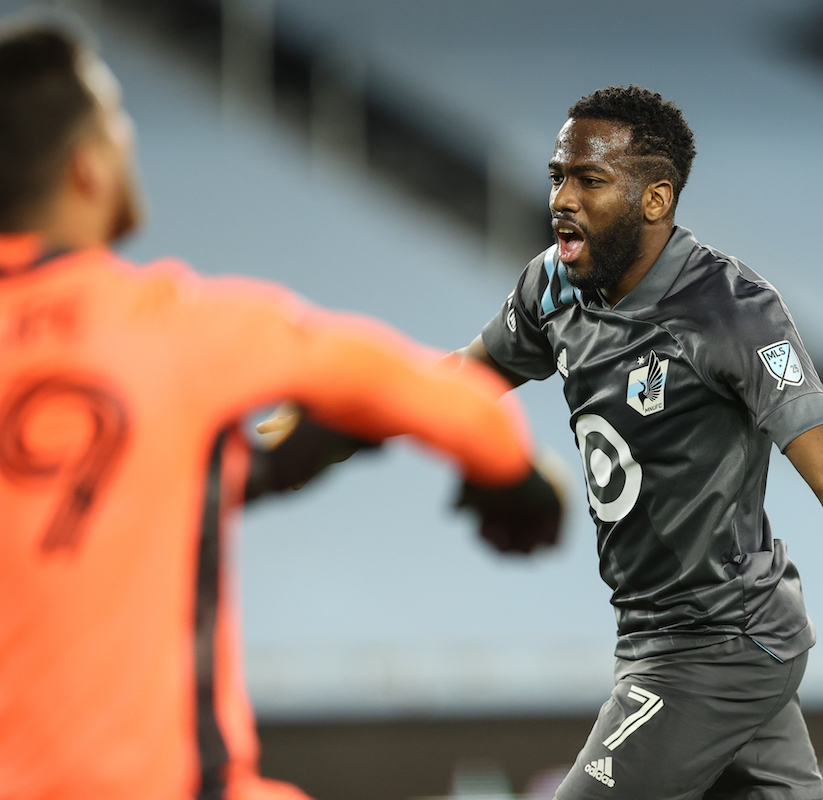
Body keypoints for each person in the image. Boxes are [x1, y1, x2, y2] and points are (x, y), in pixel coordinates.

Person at [0, 20, 559, 800]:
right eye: (118, 121)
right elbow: (449, 405)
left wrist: (268, 463)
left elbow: (66, 509)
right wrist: (512, 477)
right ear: (87, 169)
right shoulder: (177, 325)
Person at [456, 85, 823, 800]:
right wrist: (331, 419)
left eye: (589, 180)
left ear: (655, 200)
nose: (562, 199)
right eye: (557, 176)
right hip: (674, 637)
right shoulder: (553, 287)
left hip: (711, 647)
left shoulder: (732, 313)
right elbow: (449, 386)